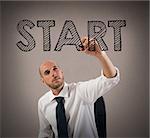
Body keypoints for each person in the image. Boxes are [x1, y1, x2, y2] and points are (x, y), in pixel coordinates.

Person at [38, 37, 120, 138]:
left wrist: (101, 55)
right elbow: (45, 133)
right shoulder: (43, 102)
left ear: (61, 72)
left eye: (55, 69)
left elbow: (110, 79)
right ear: (43, 80)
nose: (53, 74)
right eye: (47, 72)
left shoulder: (81, 91)